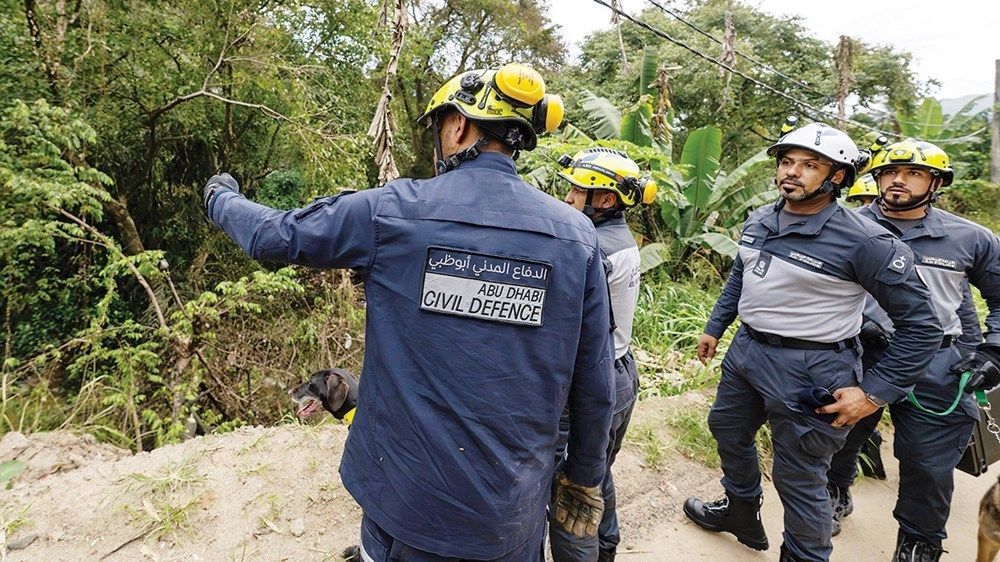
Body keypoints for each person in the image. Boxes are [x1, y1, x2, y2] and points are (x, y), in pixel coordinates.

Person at [202, 63, 617, 561]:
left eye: (439, 126)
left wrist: (219, 196)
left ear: (459, 126)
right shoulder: (577, 238)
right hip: (511, 523)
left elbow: (275, 235)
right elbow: (595, 387)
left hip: (405, 514)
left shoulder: (393, 212)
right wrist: (584, 480)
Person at [682, 121, 942, 562]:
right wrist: (716, 326)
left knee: (799, 474)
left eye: (809, 165)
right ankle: (741, 508)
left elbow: (923, 327)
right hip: (747, 352)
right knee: (726, 428)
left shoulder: (866, 241)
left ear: (837, 177)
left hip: (812, 366)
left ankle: (804, 554)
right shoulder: (762, 217)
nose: (792, 172)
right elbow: (743, 275)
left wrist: (874, 394)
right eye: (787, 162)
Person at [823, 139, 1000, 561]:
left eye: (912, 173)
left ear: (935, 182)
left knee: (927, 462)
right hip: (859, 354)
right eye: (888, 173)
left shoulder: (970, 238)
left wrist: (993, 353)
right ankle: (833, 493)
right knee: (841, 437)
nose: (897, 180)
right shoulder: (841, 226)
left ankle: (919, 543)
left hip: (935, 362)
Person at [549, 148, 657, 562]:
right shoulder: (619, 239)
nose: (569, 197)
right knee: (593, 473)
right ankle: (606, 548)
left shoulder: (589, 246)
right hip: (620, 370)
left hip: (588, 382)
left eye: (578, 190)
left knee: (570, 488)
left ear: (607, 200)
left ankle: (586, 553)